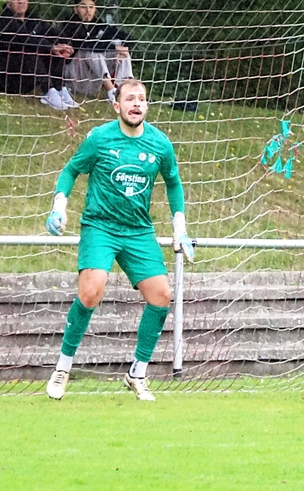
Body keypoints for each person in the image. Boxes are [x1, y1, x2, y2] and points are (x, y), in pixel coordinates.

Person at [43, 78, 195, 402]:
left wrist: (179, 228)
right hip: (100, 226)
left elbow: (173, 183)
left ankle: (137, 374)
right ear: (117, 106)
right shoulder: (100, 138)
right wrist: (59, 207)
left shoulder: (160, 144)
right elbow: (70, 170)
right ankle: (63, 367)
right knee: (91, 291)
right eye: (130, 99)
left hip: (138, 230)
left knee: (162, 295)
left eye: (141, 98)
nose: (136, 103)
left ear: (147, 106)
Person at [0, 0, 77, 108]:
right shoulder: (5, 21)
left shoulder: (32, 19)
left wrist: (66, 45)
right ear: (8, 2)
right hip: (8, 78)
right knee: (31, 50)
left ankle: (60, 89)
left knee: (56, 51)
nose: (20, 1)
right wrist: (51, 47)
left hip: (28, 76)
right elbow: (25, 40)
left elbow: (52, 32)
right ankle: (48, 91)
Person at [61, 0, 135, 104]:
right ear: (76, 9)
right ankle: (111, 92)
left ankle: (126, 90)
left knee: (121, 48)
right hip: (74, 76)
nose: (88, 11)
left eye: (91, 7)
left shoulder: (98, 25)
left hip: (92, 79)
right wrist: (114, 48)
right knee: (91, 52)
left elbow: (127, 37)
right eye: (83, 7)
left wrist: (124, 47)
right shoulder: (69, 25)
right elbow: (87, 44)